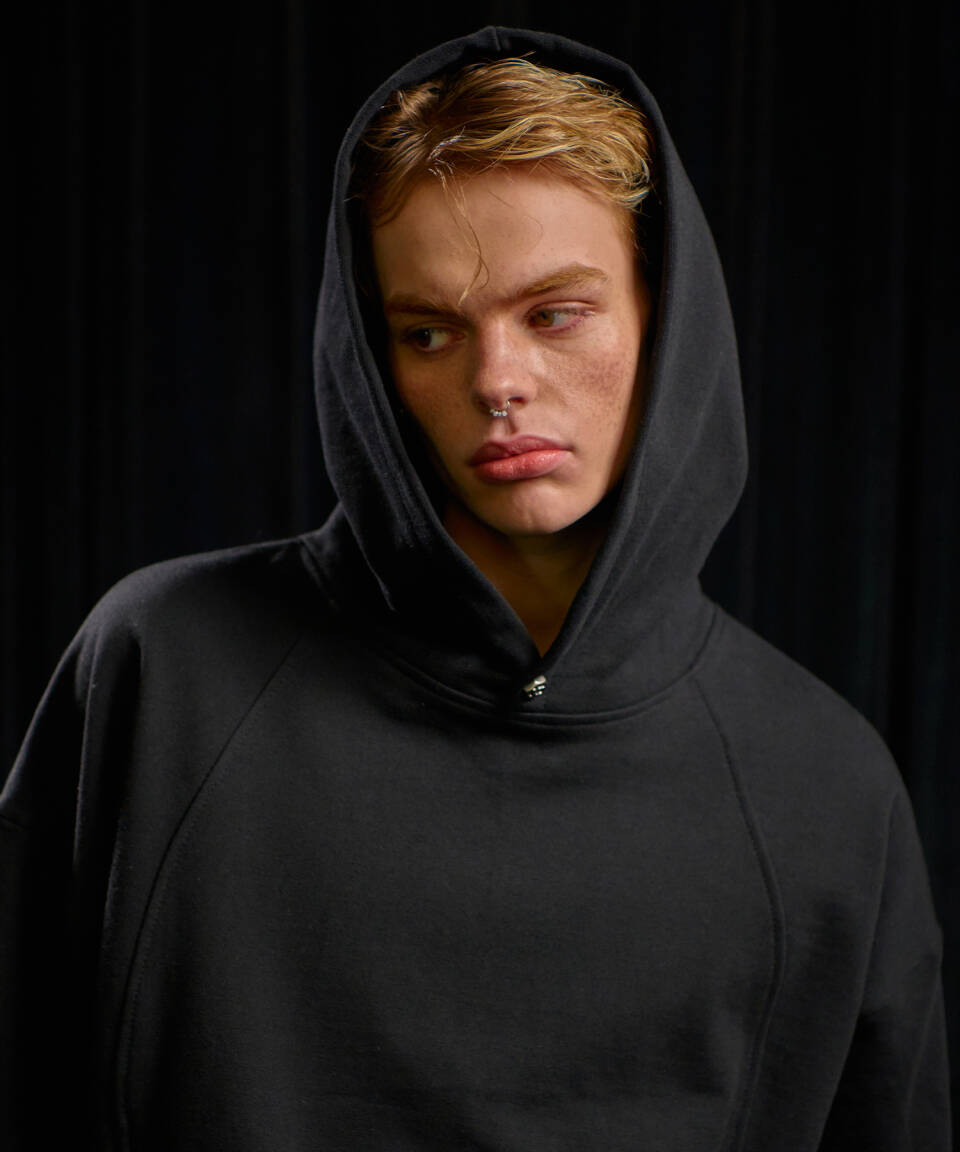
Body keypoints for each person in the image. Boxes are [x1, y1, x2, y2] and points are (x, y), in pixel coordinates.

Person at [1, 25, 949, 1151]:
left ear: (667, 318)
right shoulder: (165, 672)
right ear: (374, 357)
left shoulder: (824, 786)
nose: (498, 381)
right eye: (429, 332)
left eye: (555, 314)